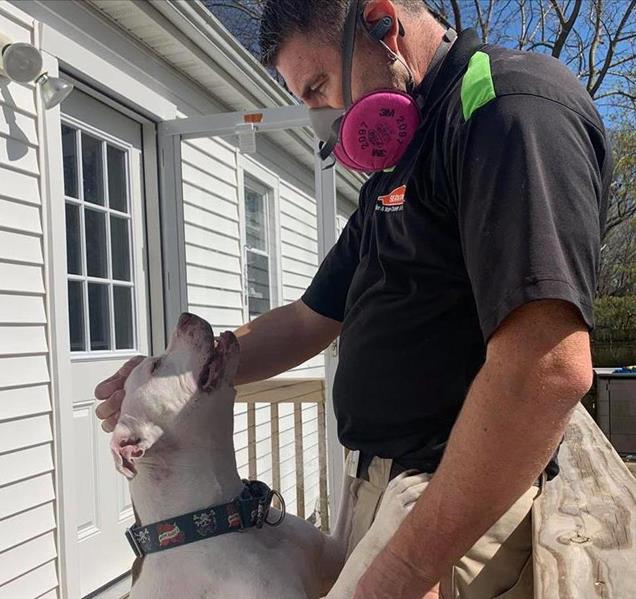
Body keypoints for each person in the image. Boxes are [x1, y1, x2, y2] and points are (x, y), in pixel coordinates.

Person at [94, 1, 612, 597]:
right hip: (382, 491)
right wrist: (178, 375)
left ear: (382, 24)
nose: (321, 118)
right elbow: (309, 319)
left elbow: (545, 369)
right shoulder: (397, 167)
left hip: (455, 512)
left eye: (318, 87)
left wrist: (404, 570)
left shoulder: (507, 111)